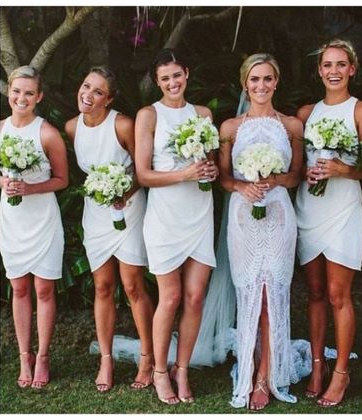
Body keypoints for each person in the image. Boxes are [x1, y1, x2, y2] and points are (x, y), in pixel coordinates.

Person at [294, 39, 362, 407]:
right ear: (319, 70)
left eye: (341, 65)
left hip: (344, 211)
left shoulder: (361, 111)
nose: (333, 71)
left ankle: (341, 372)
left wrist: (344, 169)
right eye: (327, 65)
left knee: (338, 295)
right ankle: (317, 366)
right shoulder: (305, 113)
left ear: (352, 68)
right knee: (314, 293)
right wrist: (304, 175)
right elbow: (295, 163)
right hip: (308, 210)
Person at [219, 53, 303, 410]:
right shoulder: (230, 127)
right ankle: (249, 363)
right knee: (250, 290)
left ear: (276, 81)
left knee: (272, 294)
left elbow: (296, 176)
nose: (261, 86)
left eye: (268, 79)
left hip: (279, 215)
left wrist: (273, 179)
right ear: (244, 83)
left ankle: (264, 377)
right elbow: (223, 177)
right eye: (255, 80)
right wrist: (242, 187)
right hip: (243, 217)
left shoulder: (292, 126)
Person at [134, 49, 218, 405]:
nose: (172, 83)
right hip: (165, 217)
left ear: (187, 73)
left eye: (177, 75)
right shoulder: (148, 115)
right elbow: (143, 174)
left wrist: (209, 171)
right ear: (158, 81)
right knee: (169, 297)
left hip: (199, 213)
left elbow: (210, 162)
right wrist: (184, 173)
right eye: (165, 78)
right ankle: (158, 371)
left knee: (195, 297)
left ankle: (182, 369)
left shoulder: (203, 114)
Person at [65, 66, 154, 393]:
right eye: (86, 86)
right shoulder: (72, 128)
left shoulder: (123, 124)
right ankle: (106, 359)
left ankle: (148, 357)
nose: (88, 95)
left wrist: (123, 191)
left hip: (129, 209)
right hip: (97, 213)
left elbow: (144, 167)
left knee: (132, 286)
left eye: (98, 91)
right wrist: (103, 192)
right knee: (102, 286)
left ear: (110, 98)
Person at [0, 65, 68, 388]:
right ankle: (24, 355)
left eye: (29, 92)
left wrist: (29, 188)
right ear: (9, 93)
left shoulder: (48, 133)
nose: (21, 98)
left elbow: (62, 180)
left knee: (43, 289)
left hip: (43, 220)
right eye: (16, 91)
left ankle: (43, 356)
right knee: (19, 288)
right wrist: (4, 181)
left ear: (39, 96)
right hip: (11, 221)